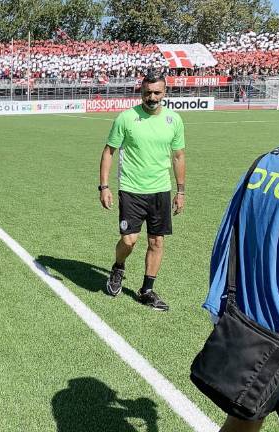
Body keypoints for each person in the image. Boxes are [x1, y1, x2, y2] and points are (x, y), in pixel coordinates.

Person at [203, 145, 279, 432]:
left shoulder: (269, 160)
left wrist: (220, 305)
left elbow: (228, 234)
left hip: (252, 327)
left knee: (247, 413)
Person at [99, 72, 186, 311]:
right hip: (131, 189)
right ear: (141, 93)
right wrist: (104, 186)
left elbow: (178, 156)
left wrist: (181, 191)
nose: (152, 97)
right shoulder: (126, 119)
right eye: (148, 92)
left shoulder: (174, 120)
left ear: (165, 93)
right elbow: (109, 152)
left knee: (157, 241)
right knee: (129, 240)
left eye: (157, 92)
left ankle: (147, 290)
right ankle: (118, 267)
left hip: (161, 190)